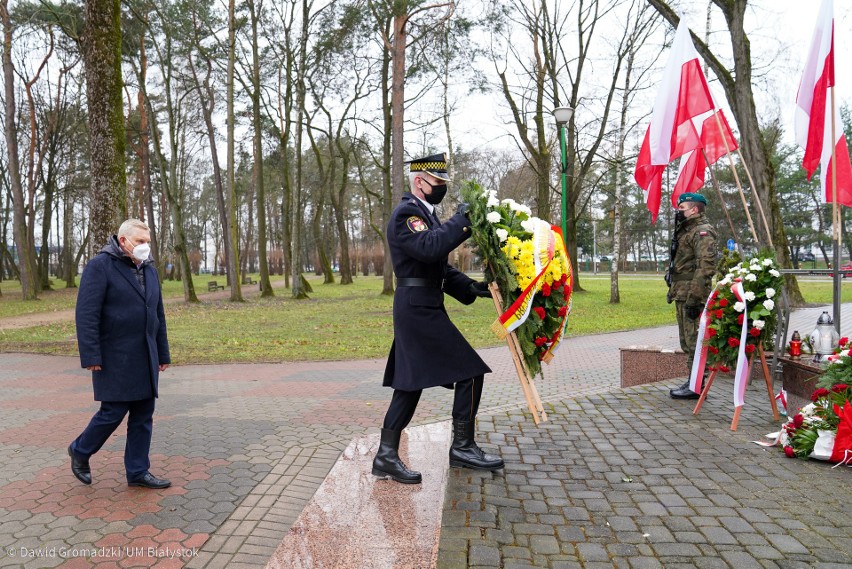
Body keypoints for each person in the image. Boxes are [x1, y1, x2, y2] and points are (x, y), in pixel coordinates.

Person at [372, 152, 504, 484]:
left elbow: (438, 267)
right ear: (420, 181)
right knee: (471, 372)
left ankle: (386, 457)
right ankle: (462, 447)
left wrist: (472, 288)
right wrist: (462, 219)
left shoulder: (425, 216)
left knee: (409, 384)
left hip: (419, 306)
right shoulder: (407, 214)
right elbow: (431, 247)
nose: (442, 188)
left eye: (444, 183)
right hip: (417, 310)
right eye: (438, 183)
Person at [68, 219, 172, 489]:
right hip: (115, 355)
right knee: (112, 412)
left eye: (148, 242)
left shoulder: (149, 269)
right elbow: (86, 314)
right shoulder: (100, 266)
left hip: (145, 355)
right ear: (123, 241)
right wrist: (91, 355)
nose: (145, 247)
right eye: (140, 242)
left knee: (143, 414)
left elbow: (157, 314)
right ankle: (80, 450)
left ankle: (138, 471)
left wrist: (162, 352)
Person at [666, 193, 718, 400]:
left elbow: (706, 267)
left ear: (694, 210)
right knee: (687, 342)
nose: (679, 212)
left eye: (682, 208)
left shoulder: (702, 232)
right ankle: (694, 381)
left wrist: (694, 298)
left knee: (694, 340)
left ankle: (697, 385)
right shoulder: (687, 231)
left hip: (692, 293)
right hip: (682, 291)